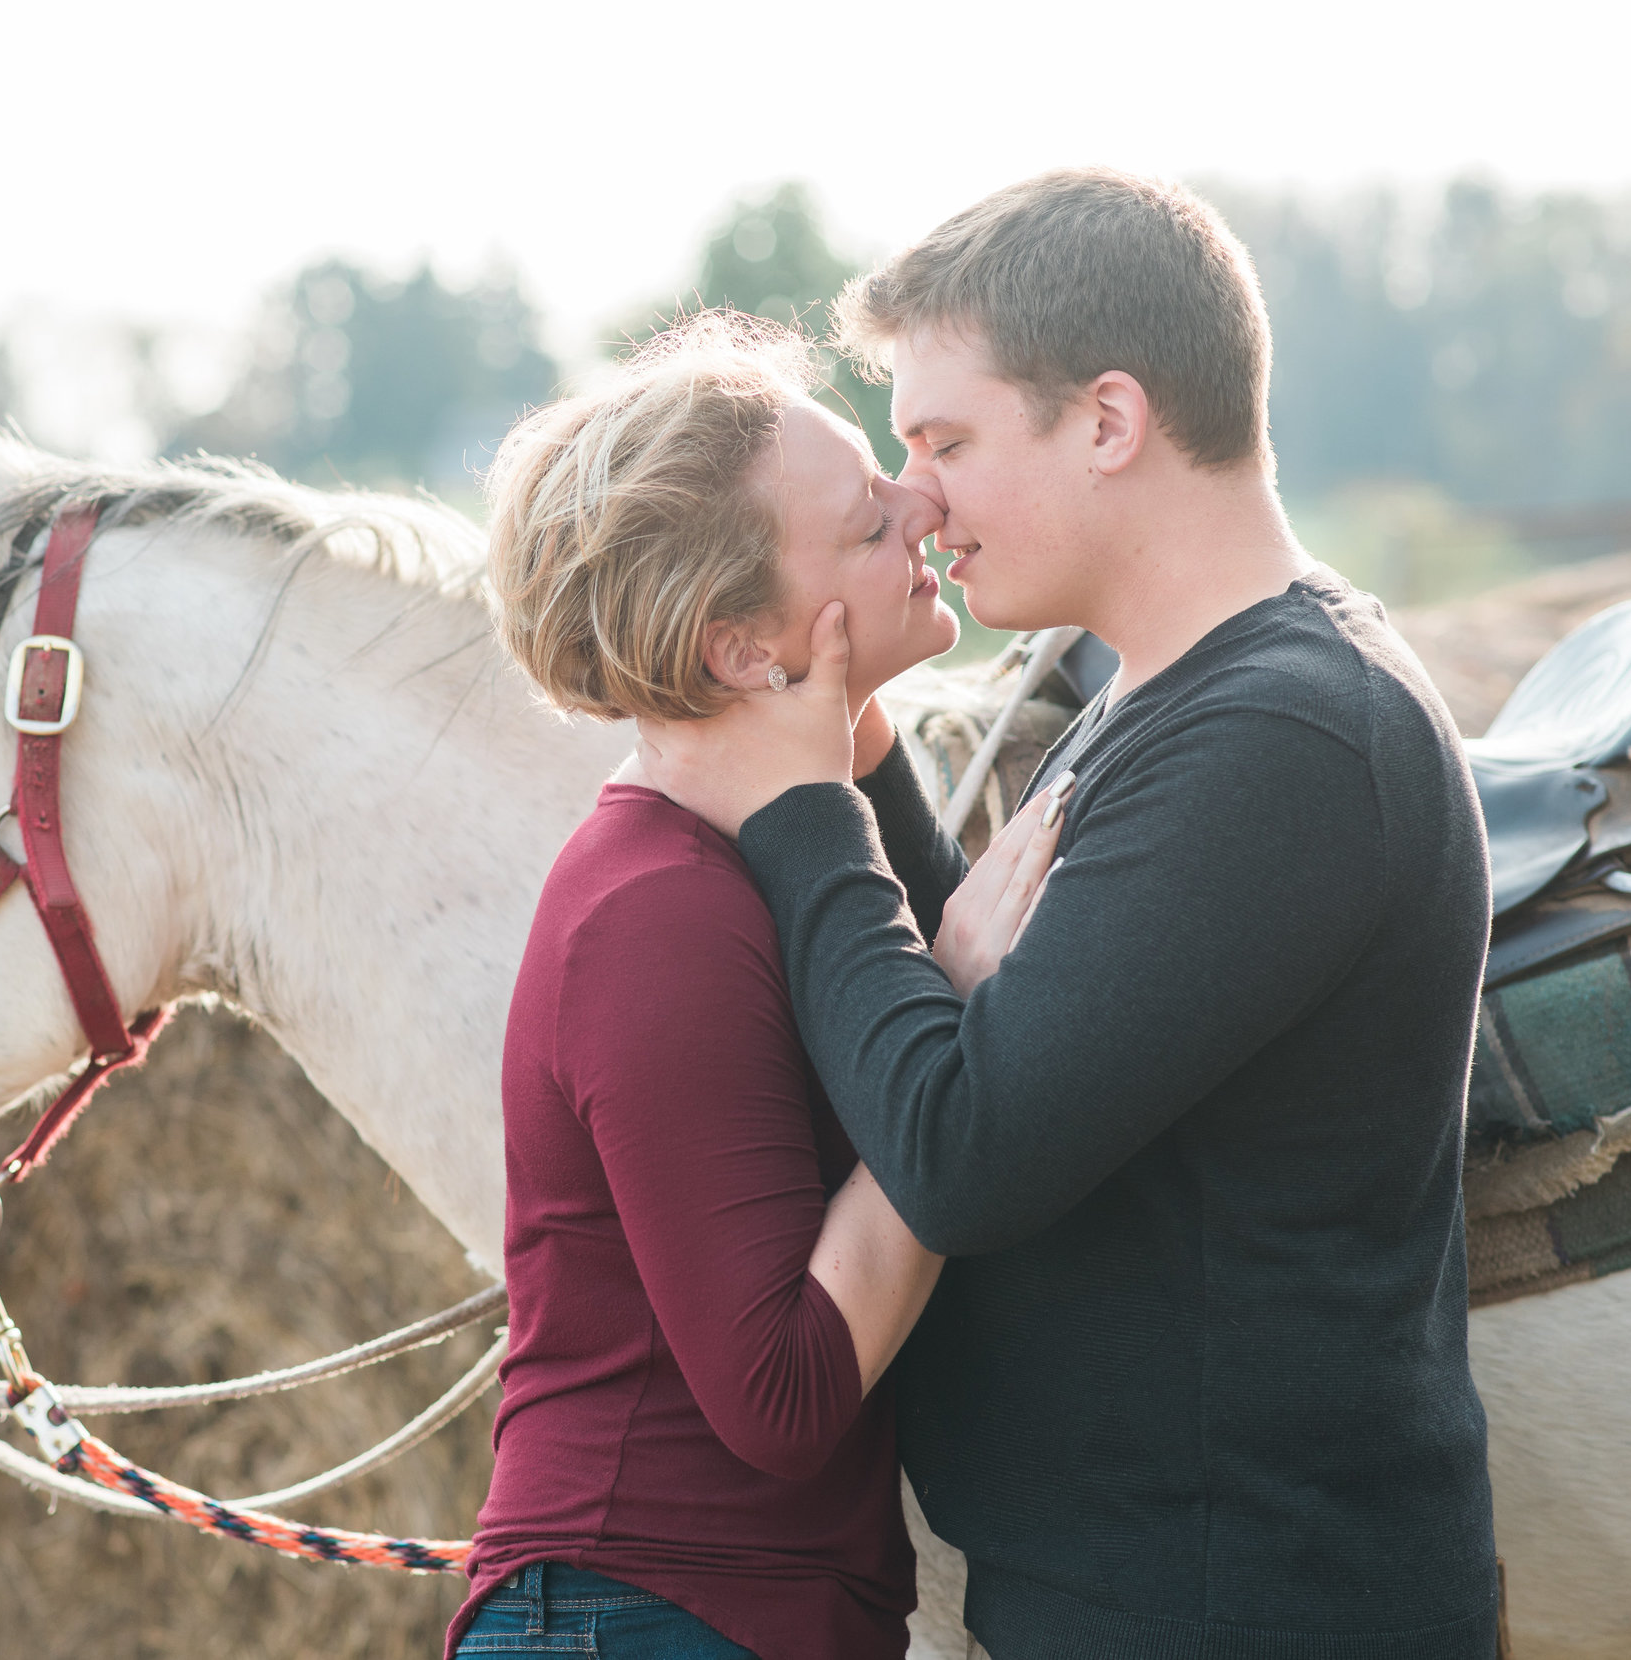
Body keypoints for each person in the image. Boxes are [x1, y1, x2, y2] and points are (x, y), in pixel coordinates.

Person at [639, 168, 1502, 1659]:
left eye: (948, 441)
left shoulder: (1283, 738)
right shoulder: (1173, 693)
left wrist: (796, 815)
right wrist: (860, 754)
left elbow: (961, 1148)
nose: (915, 500)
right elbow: (1002, 994)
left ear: (1109, 421)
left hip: (1241, 1613)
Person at [449, 313, 1059, 1660]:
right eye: (860, 524)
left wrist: (845, 720)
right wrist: (952, 1018)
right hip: (638, 1619)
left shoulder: (762, 848)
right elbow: (782, 1391)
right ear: (739, 648)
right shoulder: (658, 912)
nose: (923, 503)